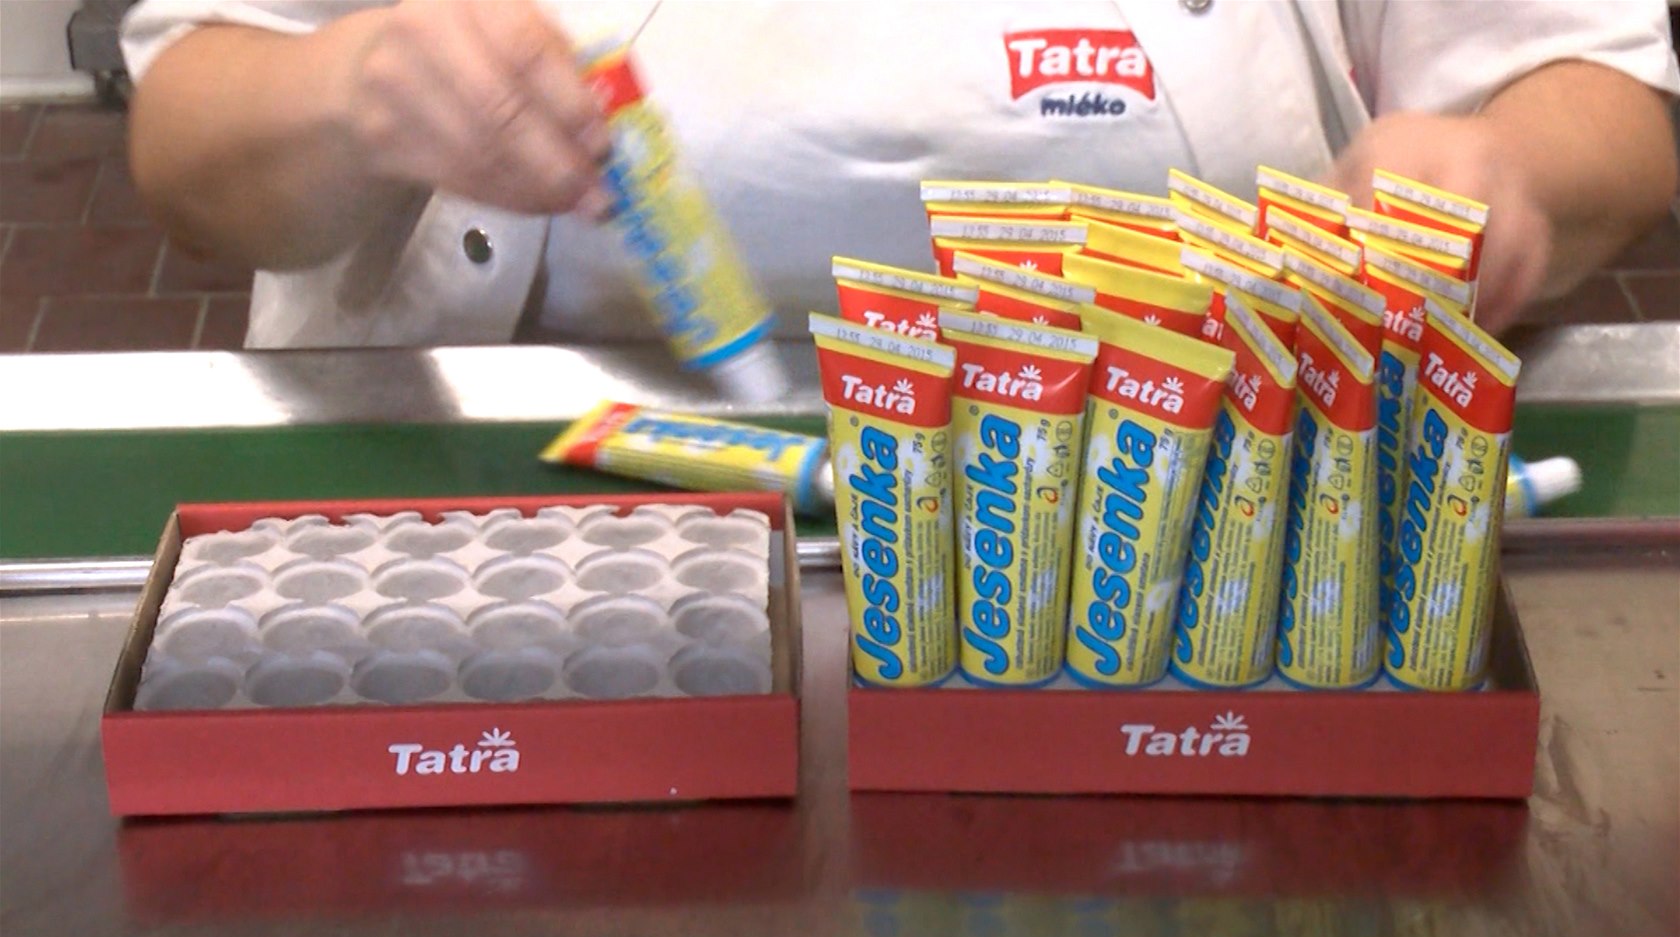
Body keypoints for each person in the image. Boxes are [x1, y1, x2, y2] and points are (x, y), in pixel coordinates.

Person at [122, 1, 1678, 349]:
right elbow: (193, 146)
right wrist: (350, 94)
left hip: (1208, 500)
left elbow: (1592, 88)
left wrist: (1500, 171)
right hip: (528, 524)